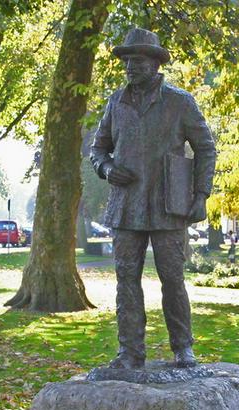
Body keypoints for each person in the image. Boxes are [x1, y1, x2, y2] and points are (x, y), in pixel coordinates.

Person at [90, 28, 216, 369]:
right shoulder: (116, 102)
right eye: (128, 61)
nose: (131, 67)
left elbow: (205, 148)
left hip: (168, 205)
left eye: (139, 60)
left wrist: (201, 194)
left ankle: (182, 347)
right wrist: (106, 168)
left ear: (156, 65)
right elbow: (98, 148)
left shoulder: (179, 102)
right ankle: (130, 351)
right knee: (126, 279)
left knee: (172, 279)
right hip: (127, 205)